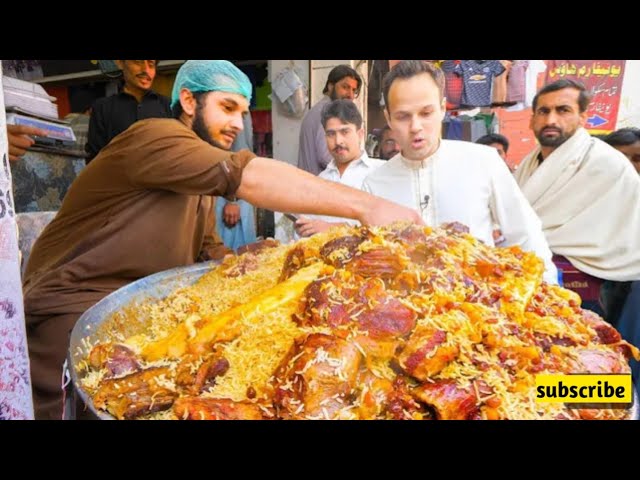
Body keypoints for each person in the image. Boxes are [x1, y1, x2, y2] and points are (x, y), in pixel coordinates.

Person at [21, 60, 422, 419]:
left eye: (242, 113)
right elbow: (246, 174)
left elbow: (206, 249)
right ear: (189, 101)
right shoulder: (153, 136)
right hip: (73, 314)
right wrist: (369, 208)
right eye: (227, 108)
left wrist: (247, 259)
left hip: (143, 320)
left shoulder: (194, 173)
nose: (237, 124)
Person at [362, 60, 558, 284]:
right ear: (388, 118)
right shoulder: (375, 184)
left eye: (426, 113)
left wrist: (549, 292)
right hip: (407, 310)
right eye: (403, 116)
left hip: (480, 307)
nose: (416, 126)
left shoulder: (482, 162)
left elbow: (526, 235)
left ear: (443, 108)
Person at [514, 79, 640, 318]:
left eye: (563, 110)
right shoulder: (528, 164)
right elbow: (519, 223)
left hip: (592, 285)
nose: (551, 120)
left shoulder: (607, 163)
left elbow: (625, 233)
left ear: (583, 117)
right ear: (532, 119)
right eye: (543, 111)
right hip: (532, 281)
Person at [295, 99, 384, 237]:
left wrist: (333, 229)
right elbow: (303, 234)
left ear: (360, 134)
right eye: (331, 134)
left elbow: (389, 226)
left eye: (345, 132)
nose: (338, 141)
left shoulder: (381, 173)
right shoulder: (319, 182)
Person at [85, 60, 172, 163]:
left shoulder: (168, 106)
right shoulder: (102, 108)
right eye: (138, 62)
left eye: (151, 64)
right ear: (120, 63)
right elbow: (95, 160)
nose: (145, 70)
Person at [297, 65, 362, 175]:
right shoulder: (328, 113)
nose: (350, 95)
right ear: (330, 86)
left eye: (354, 90)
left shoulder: (320, 109)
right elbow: (325, 157)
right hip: (318, 187)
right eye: (345, 87)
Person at [215, 114, 257, 251]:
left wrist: (232, 200)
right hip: (225, 193)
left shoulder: (234, 109)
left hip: (232, 194)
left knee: (237, 256)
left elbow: (238, 158)